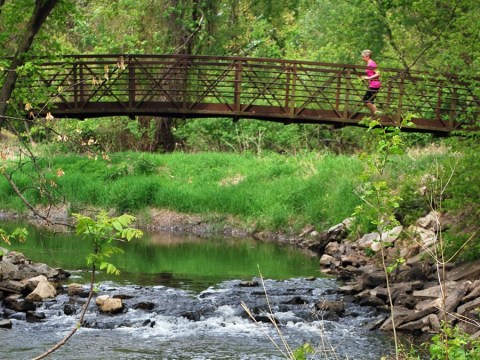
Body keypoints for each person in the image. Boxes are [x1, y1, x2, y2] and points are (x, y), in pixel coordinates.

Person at [361, 49, 381, 116]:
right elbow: (372, 73)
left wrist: (369, 78)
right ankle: (376, 116)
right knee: (371, 101)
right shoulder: (369, 63)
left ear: (367, 56)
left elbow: (378, 73)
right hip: (372, 84)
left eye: (363, 57)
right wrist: (365, 77)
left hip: (375, 85)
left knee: (366, 100)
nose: (362, 58)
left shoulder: (371, 63)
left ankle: (377, 114)